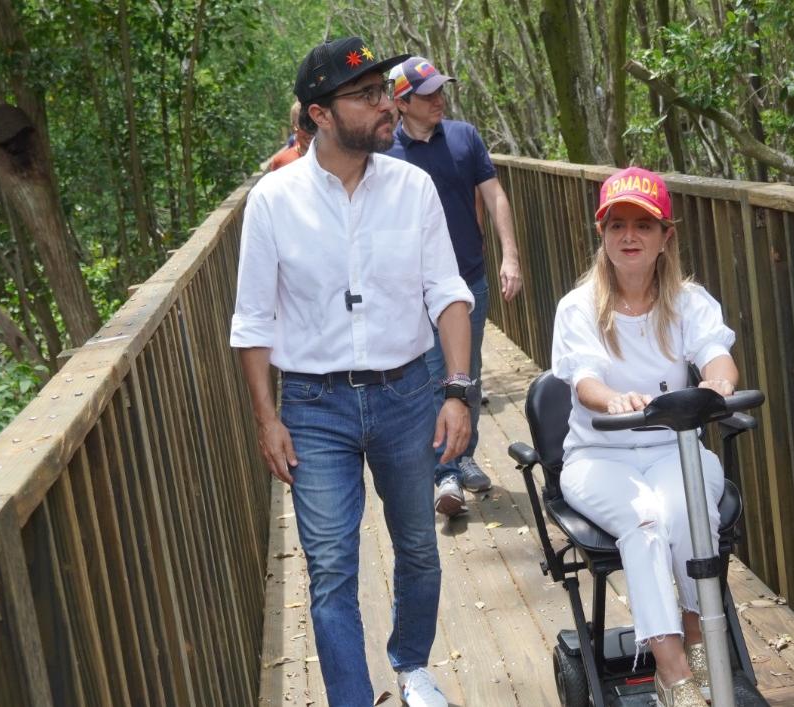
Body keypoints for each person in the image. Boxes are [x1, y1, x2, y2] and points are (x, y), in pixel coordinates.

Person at [231, 36, 474, 707]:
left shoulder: (413, 187)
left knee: (419, 547)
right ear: (321, 114)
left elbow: (448, 292)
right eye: (365, 94)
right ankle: (349, 695)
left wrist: (457, 389)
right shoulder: (273, 201)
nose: (385, 102)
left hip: (407, 393)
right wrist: (266, 419)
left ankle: (412, 664)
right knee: (332, 565)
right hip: (313, 405)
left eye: (383, 89)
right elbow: (251, 323)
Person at [549, 167, 739, 707]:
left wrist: (716, 383)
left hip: (671, 447)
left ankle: (697, 628)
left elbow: (717, 357)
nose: (629, 237)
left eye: (643, 225)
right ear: (601, 234)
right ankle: (673, 671)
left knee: (686, 513)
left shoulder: (689, 302)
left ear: (665, 237)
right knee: (645, 520)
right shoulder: (578, 307)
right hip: (600, 453)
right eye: (617, 226)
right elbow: (584, 380)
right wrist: (612, 398)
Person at [384, 56, 523, 517]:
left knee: (467, 372)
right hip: (410, 290)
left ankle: (461, 458)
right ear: (401, 103)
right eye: (428, 95)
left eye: (442, 90)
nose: (439, 99)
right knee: (429, 375)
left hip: (469, 279)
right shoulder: (384, 152)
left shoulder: (464, 136)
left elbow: (495, 195)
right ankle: (443, 471)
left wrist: (511, 256)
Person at [267, 100, 311, 171]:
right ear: (294, 127)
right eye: (303, 125)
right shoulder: (281, 162)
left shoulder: (332, 158)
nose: (310, 131)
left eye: (314, 124)